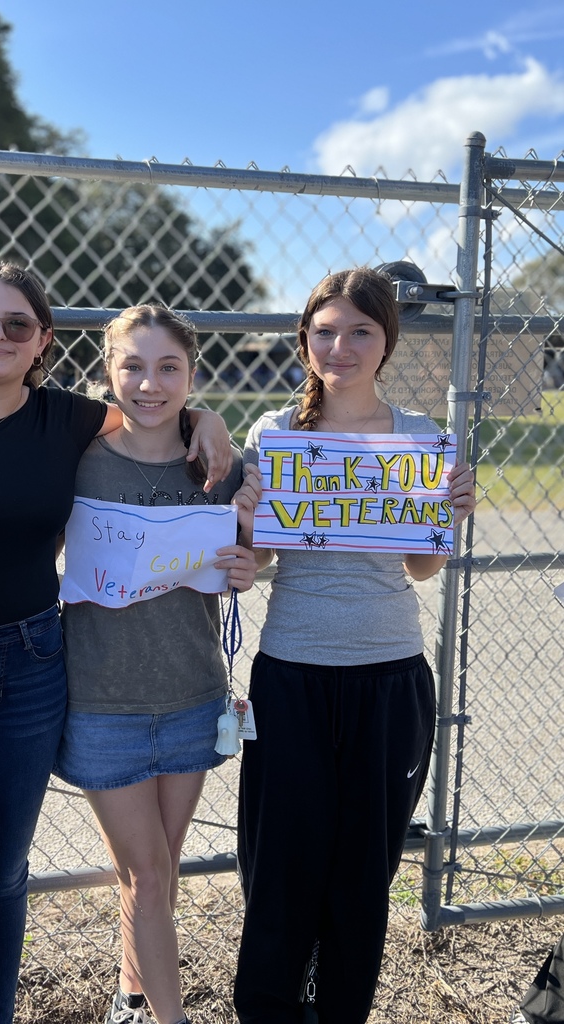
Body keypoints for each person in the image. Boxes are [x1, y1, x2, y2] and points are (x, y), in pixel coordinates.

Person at [0, 263, 234, 1024]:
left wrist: (206, 418)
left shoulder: (66, 420)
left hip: (33, 667)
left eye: (17, 324)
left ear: (43, 341)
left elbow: (150, 413)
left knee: (7, 878)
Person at [232, 267, 477, 1024]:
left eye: (360, 331)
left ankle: (342, 1010)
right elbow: (267, 557)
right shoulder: (275, 433)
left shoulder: (420, 439)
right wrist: (245, 535)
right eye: (325, 330)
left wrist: (447, 518)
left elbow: (419, 567)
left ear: (386, 342)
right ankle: (271, 1009)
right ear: (305, 339)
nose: (341, 346)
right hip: (293, 673)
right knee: (281, 866)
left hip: (388, 675)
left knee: (362, 872)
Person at [53, 304, 260, 1024]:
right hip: (103, 704)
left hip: (190, 697)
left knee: (156, 877)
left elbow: (251, 553)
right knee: (147, 873)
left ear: (192, 374)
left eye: (168, 367)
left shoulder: (217, 464)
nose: (149, 383)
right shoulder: (77, 460)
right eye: (131, 366)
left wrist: (246, 563)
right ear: (108, 371)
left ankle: (131, 998)